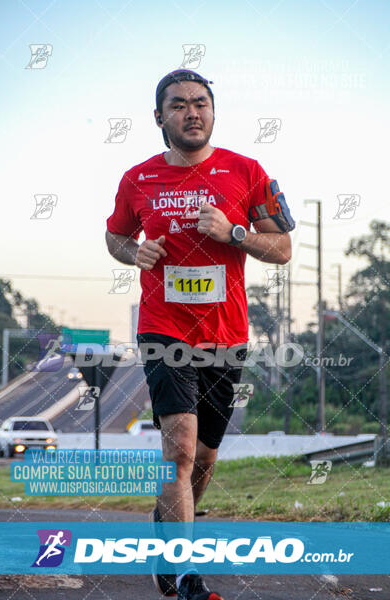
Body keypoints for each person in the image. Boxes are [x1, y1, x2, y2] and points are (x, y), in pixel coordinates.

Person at [106, 69, 294, 600]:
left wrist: (234, 233)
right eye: (179, 104)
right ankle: (187, 572)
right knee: (181, 448)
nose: (192, 111)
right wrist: (132, 252)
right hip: (164, 328)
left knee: (205, 458)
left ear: (213, 112)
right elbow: (116, 236)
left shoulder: (247, 172)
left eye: (201, 103)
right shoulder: (138, 178)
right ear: (160, 117)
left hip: (226, 333)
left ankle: (168, 528)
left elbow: (281, 249)